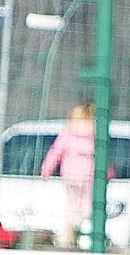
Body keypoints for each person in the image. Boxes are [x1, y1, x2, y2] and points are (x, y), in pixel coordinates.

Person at [40, 103, 99, 243]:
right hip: (89, 175)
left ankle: (69, 237)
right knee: (88, 206)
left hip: (70, 175)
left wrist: (47, 169)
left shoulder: (68, 131)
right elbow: (102, 155)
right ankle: (86, 237)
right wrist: (109, 173)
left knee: (72, 206)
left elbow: (56, 151)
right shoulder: (96, 133)